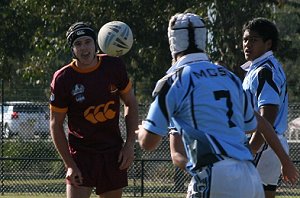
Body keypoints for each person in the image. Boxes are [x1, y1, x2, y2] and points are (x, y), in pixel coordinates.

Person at [137, 12, 266, 198]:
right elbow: (250, 125)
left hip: (216, 174)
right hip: (250, 176)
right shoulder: (229, 77)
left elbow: (149, 143)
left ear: (172, 44)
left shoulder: (174, 81)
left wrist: (142, 132)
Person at [49, 21, 138, 198]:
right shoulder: (63, 79)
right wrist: (69, 164)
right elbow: (55, 124)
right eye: (78, 44)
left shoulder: (114, 66)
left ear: (95, 43)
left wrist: (129, 144)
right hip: (81, 156)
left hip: (113, 153)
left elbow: (131, 103)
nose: (84, 48)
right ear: (72, 49)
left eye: (87, 41)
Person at [240, 17, 293, 198]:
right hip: (270, 144)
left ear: (268, 43)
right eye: (245, 39)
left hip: (263, 143)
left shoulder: (264, 70)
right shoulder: (257, 67)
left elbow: (268, 114)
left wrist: (251, 149)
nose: (247, 44)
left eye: (254, 40)